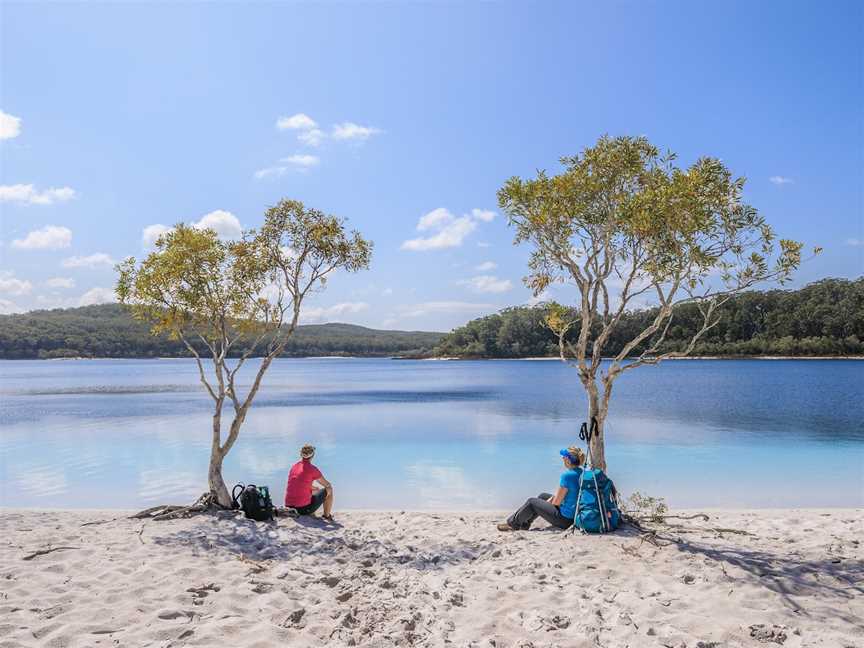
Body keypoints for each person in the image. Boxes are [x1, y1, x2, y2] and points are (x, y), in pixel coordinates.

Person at [497, 446, 585, 531]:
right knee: (542, 496)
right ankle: (525, 523)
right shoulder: (582, 473)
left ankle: (513, 524)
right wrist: (552, 499)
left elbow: (556, 503)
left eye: (564, 457)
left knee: (531, 501)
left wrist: (551, 500)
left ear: (568, 460)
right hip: (574, 516)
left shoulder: (567, 476)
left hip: (565, 520)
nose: (562, 459)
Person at [284, 444, 334, 521]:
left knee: (315, 490)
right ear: (312, 455)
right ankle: (326, 515)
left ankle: (312, 511)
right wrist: (321, 489)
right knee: (329, 489)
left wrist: (314, 488)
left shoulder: (294, 466)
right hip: (302, 510)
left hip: (289, 506)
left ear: (301, 454)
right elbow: (326, 484)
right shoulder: (312, 469)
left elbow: (300, 483)